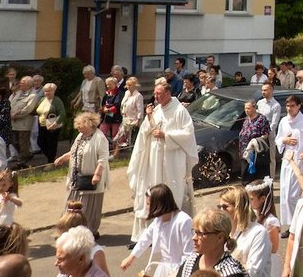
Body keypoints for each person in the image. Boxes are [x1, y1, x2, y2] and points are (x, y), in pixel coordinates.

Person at [127, 82, 198, 241]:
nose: (155, 96)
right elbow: (146, 131)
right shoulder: (157, 110)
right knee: (152, 191)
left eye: (158, 94)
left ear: (167, 93)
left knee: (170, 191)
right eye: (155, 93)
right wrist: (149, 118)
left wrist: (166, 135)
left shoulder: (179, 111)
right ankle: (151, 234)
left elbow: (187, 134)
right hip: (154, 158)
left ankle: (171, 232)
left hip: (172, 161)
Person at [219, 185, 272, 277]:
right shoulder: (228, 231)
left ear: (238, 207)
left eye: (225, 207)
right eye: (220, 207)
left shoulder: (258, 233)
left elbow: (254, 273)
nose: (221, 211)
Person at [54, 112, 110, 236]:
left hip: (90, 181)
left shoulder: (100, 138)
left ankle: (88, 231)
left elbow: (103, 158)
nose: (78, 128)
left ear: (89, 125)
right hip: (76, 179)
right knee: (70, 204)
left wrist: (97, 175)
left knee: (87, 207)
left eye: (80, 125)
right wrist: (63, 158)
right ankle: (68, 229)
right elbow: (74, 151)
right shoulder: (80, 136)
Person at [275, 95, 303, 235]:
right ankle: (290, 224)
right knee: (285, 194)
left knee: (295, 195)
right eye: (287, 106)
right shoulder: (283, 121)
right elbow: (278, 139)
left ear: (298, 106)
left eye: (292, 106)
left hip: (298, 162)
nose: (289, 109)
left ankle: (298, 224)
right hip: (287, 162)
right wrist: (284, 140)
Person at [8, 76, 38, 167]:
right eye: (20, 82)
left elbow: (28, 109)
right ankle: (27, 154)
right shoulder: (18, 93)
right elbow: (10, 103)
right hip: (13, 122)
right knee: (13, 141)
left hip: (24, 123)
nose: (20, 84)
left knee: (23, 142)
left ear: (29, 85)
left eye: (23, 83)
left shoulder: (33, 95)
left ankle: (21, 162)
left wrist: (17, 114)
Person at [239, 100, 272, 183]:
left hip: (257, 155)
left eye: (248, 108)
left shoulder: (261, 119)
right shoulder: (246, 120)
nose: (246, 110)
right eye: (245, 108)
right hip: (246, 153)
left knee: (258, 180)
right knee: (246, 179)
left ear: (254, 108)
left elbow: (266, 134)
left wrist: (255, 141)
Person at [34, 82, 65, 165]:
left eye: (49, 91)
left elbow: (62, 113)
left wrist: (55, 123)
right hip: (42, 125)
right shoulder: (42, 99)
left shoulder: (57, 100)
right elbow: (37, 110)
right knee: (40, 142)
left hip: (53, 126)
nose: (47, 93)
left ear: (54, 91)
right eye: (46, 91)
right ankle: (52, 158)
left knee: (51, 144)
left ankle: (51, 162)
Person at [112, 76, 144, 152]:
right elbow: (123, 104)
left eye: (131, 85)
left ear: (135, 86)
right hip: (125, 119)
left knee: (131, 139)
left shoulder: (138, 96)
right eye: (128, 85)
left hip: (134, 120)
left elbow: (140, 109)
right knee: (119, 136)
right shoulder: (126, 93)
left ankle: (130, 153)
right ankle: (116, 154)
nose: (129, 87)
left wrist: (138, 120)